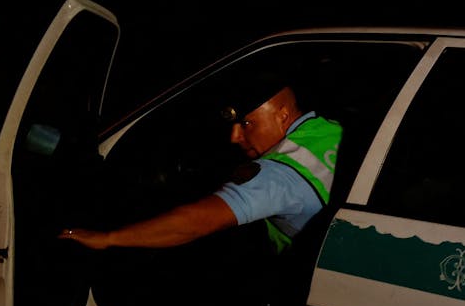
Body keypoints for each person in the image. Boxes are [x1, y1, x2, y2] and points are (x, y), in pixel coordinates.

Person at [58, 71, 342, 254]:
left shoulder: (280, 175)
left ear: (281, 115)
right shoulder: (329, 130)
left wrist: (109, 238)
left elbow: (195, 223)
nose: (234, 136)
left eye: (246, 123)